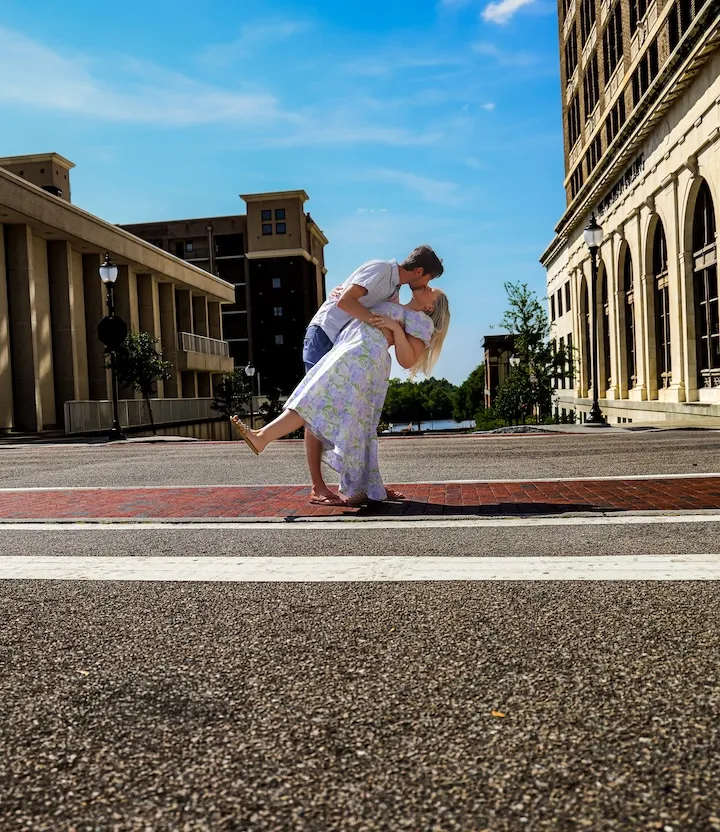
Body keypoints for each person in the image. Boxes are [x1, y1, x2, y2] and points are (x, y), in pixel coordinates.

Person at [232, 285, 450, 505]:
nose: (427, 286)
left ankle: (263, 437)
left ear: (430, 305)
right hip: (347, 350)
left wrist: (395, 328)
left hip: (363, 359)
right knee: (316, 400)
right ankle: (263, 437)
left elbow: (407, 359)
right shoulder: (393, 298)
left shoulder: (421, 321)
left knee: (316, 400)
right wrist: (342, 291)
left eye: (432, 289)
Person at [300, 245, 444, 505]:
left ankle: (368, 484)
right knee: (314, 405)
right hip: (324, 334)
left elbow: (354, 299)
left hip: (344, 345)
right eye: (429, 279)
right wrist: (371, 318)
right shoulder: (381, 269)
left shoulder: (393, 292)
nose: (427, 284)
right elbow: (346, 300)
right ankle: (317, 487)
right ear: (420, 271)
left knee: (355, 416)